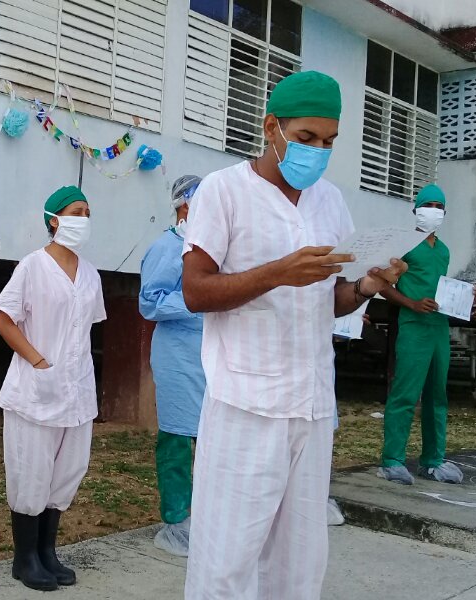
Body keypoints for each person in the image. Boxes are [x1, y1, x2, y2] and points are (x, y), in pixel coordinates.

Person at [181, 71, 407, 599]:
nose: (318, 152)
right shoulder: (224, 191)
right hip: (246, 403)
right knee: (227, 556)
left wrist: (368, 285)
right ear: (271, 128)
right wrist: (277, 272)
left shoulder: (329, 202)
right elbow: (195, 291)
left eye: (329, 143)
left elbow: (330, 300)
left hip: (311, 403)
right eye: (306, 138)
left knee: (299, 558)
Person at [0, 185, 105, 591]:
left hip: (77, 392)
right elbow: (4, 319)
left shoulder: (91, 274)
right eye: (77, 211)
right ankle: (24, 560)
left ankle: (47, 553)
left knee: (65, 473)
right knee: (31, 474)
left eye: (89, 212)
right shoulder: (32, 266)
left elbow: (84, 328)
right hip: (35, 391)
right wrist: (39, 361)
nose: (84, 219)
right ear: (54, 220)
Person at [377, 184, 466, 486]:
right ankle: (391, 460)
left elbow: (439, 286)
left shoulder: (442, 250)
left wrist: (464, 299)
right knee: (405, 393)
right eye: (428, 205)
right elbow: (383, 285)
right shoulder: (403, 244)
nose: (433, 211)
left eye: (439, 207)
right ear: (415, 209)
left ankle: (432, 461)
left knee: (437, 395)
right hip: (413, 326)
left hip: (439, 327)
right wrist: (412, 303)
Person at [138, 174, 205, 557]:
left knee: (215, 439)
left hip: (214, 354)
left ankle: (210, 514)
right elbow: (151, 302)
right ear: (184, 206)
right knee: (178, 437)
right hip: (179, 356)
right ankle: (176, 520)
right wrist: (199, 302)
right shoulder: (168, 247)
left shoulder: (211, 250)